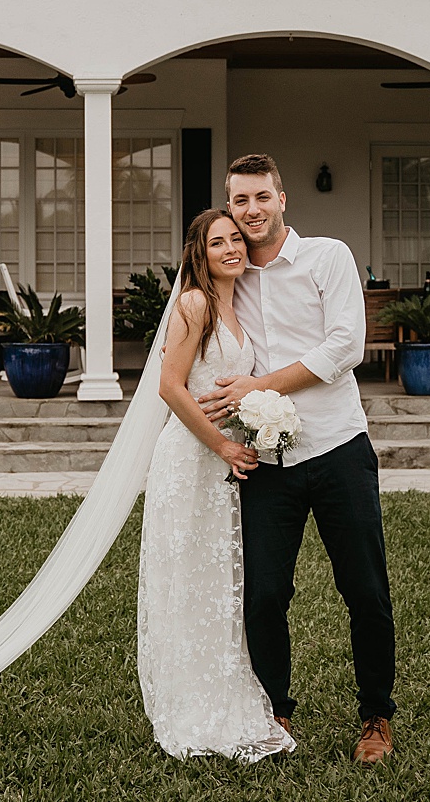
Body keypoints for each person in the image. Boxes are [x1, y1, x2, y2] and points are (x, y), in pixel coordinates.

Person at [197, 153, 398, 764]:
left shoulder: (326, 257)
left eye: (261, 197)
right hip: (267, 463)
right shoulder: (225, 277)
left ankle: (376, 718)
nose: (250, 211)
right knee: (263, 595)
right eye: (239, 201)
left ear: (282, 199)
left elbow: (346, 346)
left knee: (363, 589)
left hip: (338, 449)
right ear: (229, 206)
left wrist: (261, 388)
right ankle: (274, 713)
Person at [138, 208, 294, 762]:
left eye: (235, 239)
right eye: (216, 242)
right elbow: (170, 387)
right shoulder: (196, 303)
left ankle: (224, 688)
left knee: (221, 580)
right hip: (190, 458)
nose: (230, 248)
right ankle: (190, 703)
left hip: (221, 465)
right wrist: (223, 445)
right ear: (198, 254)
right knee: (190, 579)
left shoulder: (237, 304)